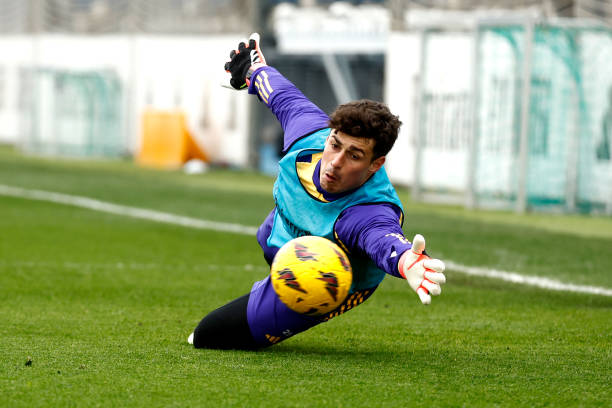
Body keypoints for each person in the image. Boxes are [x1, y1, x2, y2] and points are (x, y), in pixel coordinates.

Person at [188, 33, 446, 350]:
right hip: (287, 234)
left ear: (375, 164)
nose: (335, 162)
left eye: (354, 155)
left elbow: (383, 240)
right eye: (335, 145)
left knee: (207, 336)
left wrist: (407, 262)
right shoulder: (308, 132)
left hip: (328, 279)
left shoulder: (367, 212)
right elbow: (280, 93)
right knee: (267, 235)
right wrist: (252, 70)